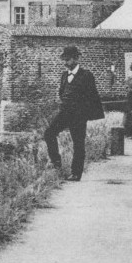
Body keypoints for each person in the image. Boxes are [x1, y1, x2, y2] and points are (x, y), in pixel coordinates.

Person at [44, 46, 104, 182]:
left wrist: (85, 113)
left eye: (68, 60)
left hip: (79, 115)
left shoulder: (86, 75)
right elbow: (61, 92)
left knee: (78, 143)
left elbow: (92, 96)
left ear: (76, 59)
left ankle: (76, 173)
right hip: (65, 113)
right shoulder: (64, 75)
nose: (65, 63)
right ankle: (56, 162)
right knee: (49, 133)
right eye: (64, 60)